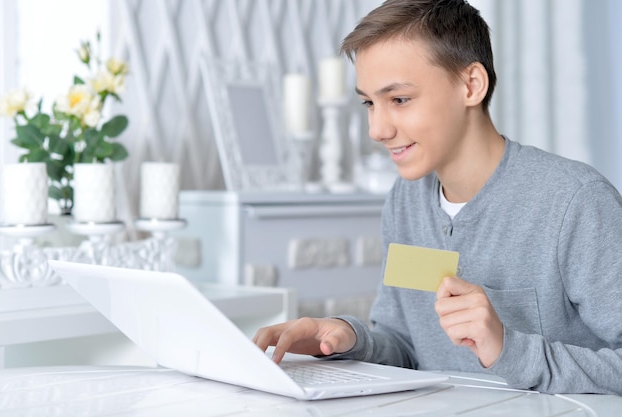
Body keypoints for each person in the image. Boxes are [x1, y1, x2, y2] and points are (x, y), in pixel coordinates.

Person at [253, 0, 622, 395]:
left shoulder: (575, 202)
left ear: (471, 85)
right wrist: (346, 336)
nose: (376, 129)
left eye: (399, 100)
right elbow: (406, 345)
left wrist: (507, 347)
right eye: (368, 103)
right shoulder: (405, 200)